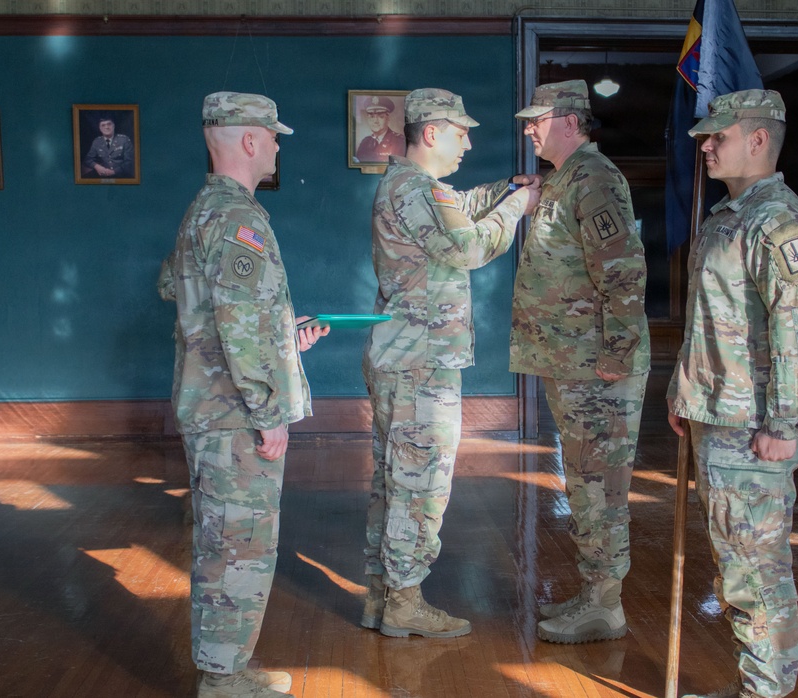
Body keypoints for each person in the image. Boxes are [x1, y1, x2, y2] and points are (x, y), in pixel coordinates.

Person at [157, 91, 328, 698]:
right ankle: (224, 679)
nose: (279, 146)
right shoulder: (238, 218)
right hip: (234, 417)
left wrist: (285, 340)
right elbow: (235, 322)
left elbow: (193, 305)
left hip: (211, 407)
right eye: (274, 136)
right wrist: (269, 412)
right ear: (250, 140)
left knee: (222, 540)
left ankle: (223, 667)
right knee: (240, 547)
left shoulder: (202, 210)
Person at [361, 87, 540, 638]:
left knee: (395, 482)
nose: (467, 142)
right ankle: (405, 604)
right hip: (420, 365)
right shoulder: (415, 190)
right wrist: (517, 206)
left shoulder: (415, 187)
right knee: (420, 485)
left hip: (408, 359)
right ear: (432, 132)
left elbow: (457, 208)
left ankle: (383, 598)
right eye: (461, 132)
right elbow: (466, 247)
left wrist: (504, 188)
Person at [666, 90, 798, 698]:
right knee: (736, 568)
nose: (705, 146)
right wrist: (687, 391)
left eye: (719, 137)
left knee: (756, 574)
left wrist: (787, 425)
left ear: (758, 140)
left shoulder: (777, 223)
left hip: (751, 428)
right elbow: (714, 318)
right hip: (717, 416)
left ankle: (764, 692)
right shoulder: (728, 218)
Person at [510, 79, 650, 644]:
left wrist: (617, 355)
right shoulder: (568, 180)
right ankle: (596, 593)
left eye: (536, 119)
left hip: (597, 369)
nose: (528, 128)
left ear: (569, 121)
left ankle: (605, 606)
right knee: (586, 486)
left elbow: (622, 271)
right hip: (574, 364)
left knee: (600, 487)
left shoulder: (594, 180)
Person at [355, 95, 406, 163]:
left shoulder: (400, 142)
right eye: (371, 117)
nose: (375, 121)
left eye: (381, 116)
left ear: (388, 118)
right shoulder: (364, 142)